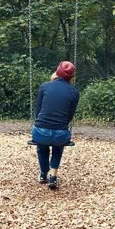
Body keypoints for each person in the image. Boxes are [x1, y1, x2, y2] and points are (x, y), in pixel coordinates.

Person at [32, 61, 79, 190]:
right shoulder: (74, 92)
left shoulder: (45, 86)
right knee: (59, 145)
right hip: (60, 134)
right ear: (71, 77)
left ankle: (43, 174)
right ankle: (53, 176)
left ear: (57, 72)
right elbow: (69, 116)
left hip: (41, 131)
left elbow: (38, 111)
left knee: (42, 146)